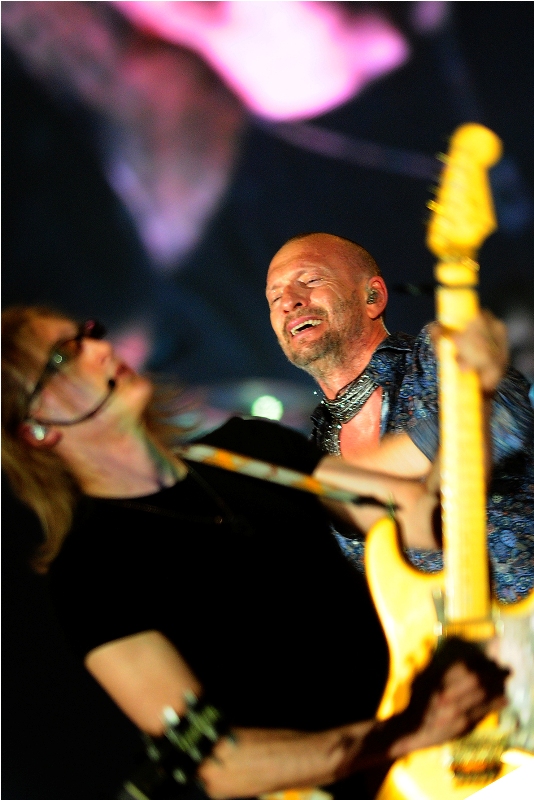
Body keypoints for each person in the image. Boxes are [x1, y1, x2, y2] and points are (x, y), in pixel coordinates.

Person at [1, 304, 508, 800]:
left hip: (455, 755)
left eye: (88, 333)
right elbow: (220, 764)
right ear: (36, 428)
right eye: (64, 355)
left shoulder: (249, 450)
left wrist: (474, 398)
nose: (100, 348)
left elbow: (432, 522)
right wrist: (405, 732)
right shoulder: (88, 571)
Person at [267, 232, 534, 604]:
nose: (289, 302)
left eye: (310, 280)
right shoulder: (313, 446)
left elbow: (507, 416)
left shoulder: (433, 356)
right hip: (437, 641)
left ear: (373, 296)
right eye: (275, 297)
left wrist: (345, 476)